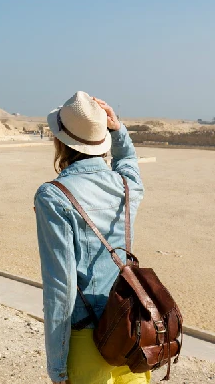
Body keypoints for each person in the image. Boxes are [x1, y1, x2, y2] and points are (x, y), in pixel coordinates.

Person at [33, 91, 146, 384]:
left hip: (88, 340)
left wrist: (57, 365)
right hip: (130, 333)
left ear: (59, 141)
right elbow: (128, 160)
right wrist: (118, 130)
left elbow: (61, 286)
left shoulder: (54, 196)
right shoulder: (127, 186)